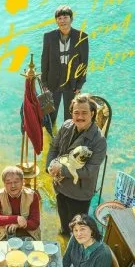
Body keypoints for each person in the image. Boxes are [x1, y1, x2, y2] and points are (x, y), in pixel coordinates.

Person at [47, 93, 107, 235]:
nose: (80, 117)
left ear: (92, 113)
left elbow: (89, 172)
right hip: (60, 186)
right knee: (64, 222)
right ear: (71, 113)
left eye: (84, 113)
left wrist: (60, 169)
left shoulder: (99, 141)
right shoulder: (66, 125)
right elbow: (54, 147)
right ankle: (64, 236)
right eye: (76, 112)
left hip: (79, 193)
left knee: (78, 229)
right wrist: (49, 166)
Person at [41, 5, 89, 128]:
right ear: (56, 20)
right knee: (50, 115)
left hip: (72, 82)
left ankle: (67, 136)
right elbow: (44, 60)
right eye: (59, 18)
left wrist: (80, 84)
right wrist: (44, 83)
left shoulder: (82, 37)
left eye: (65, 17)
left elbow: (84, 62)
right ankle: (51, 135)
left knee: (70, 115)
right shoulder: (49, 37)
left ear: (71, 19)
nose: (62, 21)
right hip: (53, 81)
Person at [0, 166, 41, 241]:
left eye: (16, 182)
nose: (13, 186)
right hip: (3, 233)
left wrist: (18, 225)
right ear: (4, 184)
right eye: (8, 182)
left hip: (27, 232)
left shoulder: (32, 195)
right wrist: (16, 218)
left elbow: (35, 222)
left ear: (22, 182)